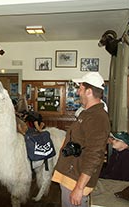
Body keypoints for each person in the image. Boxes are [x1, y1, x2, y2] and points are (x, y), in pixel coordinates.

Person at [52, 72, 110, 207]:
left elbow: (94, 155)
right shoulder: (87, 113)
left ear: (89, 91)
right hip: (70, 176)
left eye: (81, 88)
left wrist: (79, 188)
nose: (78, 92)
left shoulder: (97, 117)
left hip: (76, 181)